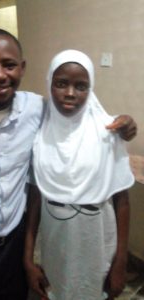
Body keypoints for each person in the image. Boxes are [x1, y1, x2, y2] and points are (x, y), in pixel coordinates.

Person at [0, 29, 137, 300]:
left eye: (9, 65)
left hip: (12, 249)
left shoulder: (37, 109)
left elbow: (80, 115)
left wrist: (124, 123)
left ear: (22, 68)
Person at [24, 50, 135, 300]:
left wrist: (121, 261)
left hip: (97, 243)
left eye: (81, 86)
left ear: (91, 88)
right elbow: (34, 200)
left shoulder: (109, 132)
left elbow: (122, 201)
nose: (71, 93)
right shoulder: (40, 134)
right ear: (49, 83)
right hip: (55, 245)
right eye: (61, 83)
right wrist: (28, 258)